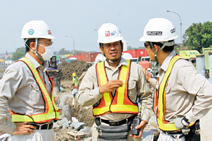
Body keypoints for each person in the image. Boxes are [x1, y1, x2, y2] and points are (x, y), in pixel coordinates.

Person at [139, 18, 212, 141]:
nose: (146, 49)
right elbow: (169, 89)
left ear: (155, 47)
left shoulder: (180, 67)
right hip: (168, 134)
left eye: (146, 45)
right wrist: (150, 80)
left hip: (179, 136)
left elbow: (208, 93)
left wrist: (187, 119)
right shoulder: (168, 68)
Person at [78, 23, 153, 141]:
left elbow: (147, 97)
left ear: (121, 45)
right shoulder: (93, 71)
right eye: (108, 45)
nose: (112, 48)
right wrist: (101, 90)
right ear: (101, 48)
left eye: (115, 44)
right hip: (102, 131)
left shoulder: (135, 69)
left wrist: (144, 119)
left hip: (130, 132)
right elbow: (81, 99)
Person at [0, 20, 60, 141]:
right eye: (47, 43)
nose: (51, 46)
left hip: (47, 133)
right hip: (28, 135)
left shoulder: (42, 70)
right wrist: (10, 128)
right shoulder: (18, 69)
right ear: (33, 46)